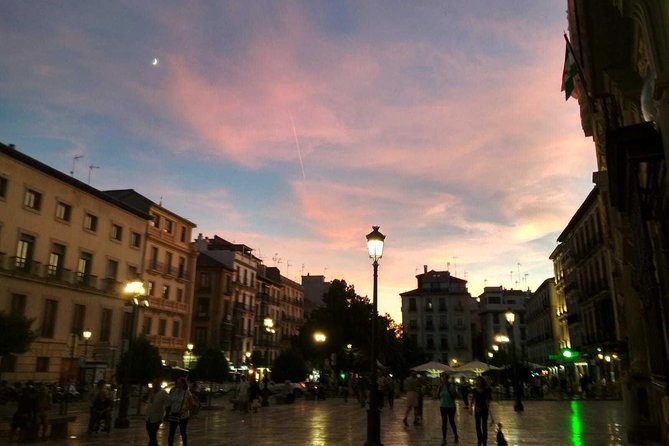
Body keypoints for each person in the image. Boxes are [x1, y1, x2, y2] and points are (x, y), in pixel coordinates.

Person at [167, 377, 194, 446]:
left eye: (179, 383)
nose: (178, 384)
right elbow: (170, 401)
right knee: (171, 433)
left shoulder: (187, 392)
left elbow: (191, 403)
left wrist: (184, 410)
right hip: (173, 414)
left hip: (183, 416)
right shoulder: (174, 391)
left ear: (183, 383)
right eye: (177, 382)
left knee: (183, 432)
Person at [145, 378, 170, 446]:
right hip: (148, 416)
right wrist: (148, 392)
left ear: (159, 385)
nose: (154, 385)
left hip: (157, 417)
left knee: (153, 433)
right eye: (153, 384)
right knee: (150, 433)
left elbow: (168, 404)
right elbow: (143, 399)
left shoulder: (163, 393)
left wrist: (166, 415)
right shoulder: (151, 392)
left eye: (156, 384)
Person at [438, 372, 458, 444]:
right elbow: (438, 396)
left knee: (451, 421)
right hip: (443, 406)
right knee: (444, 422)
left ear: (447, 378)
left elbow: (455, 395)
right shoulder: (440, 387)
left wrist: (450, 392)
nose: (443, 379)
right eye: (442, 378)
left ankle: (455, 435)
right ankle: (444, 438)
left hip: (451, 406)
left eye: (444, 378)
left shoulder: (451, 386)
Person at [471, 376, 492, 446]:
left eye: (479, 380)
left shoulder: (487, 390)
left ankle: (484, 439)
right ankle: (479, 438)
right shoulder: (474, 390)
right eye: (477, 380)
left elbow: (488, 401)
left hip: (484, 409)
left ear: (482, 382)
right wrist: (471, 408)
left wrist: (487, 407)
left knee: (484, 425)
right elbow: (473, 399)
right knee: (477, 425)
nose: (478, 382)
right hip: (477, 409)